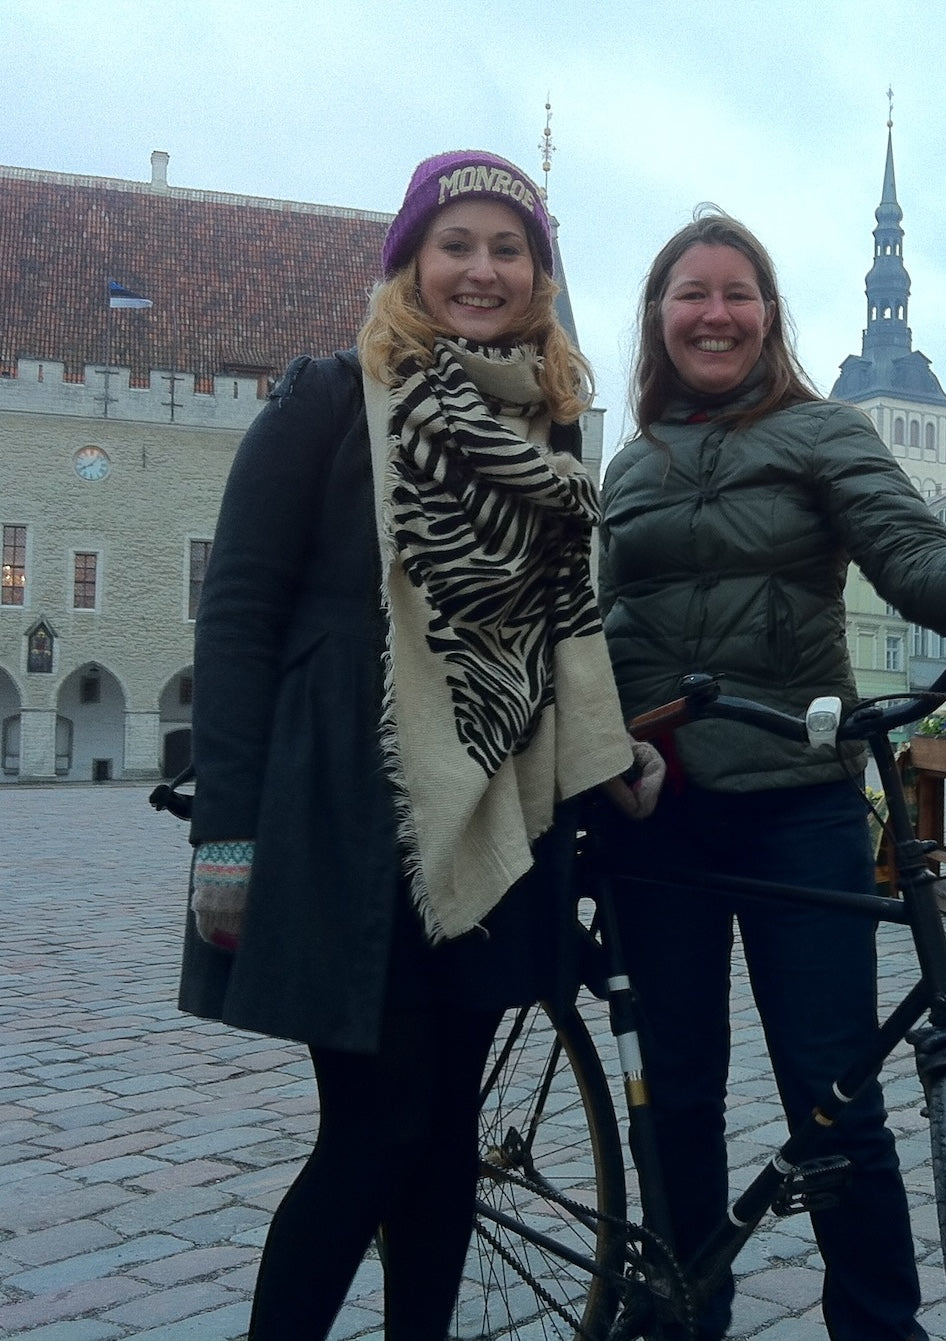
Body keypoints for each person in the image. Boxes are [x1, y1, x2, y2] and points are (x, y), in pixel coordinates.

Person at [598, 209, 946, 1341]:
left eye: (739, 292)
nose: (716, 312)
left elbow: (918, 560)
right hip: (655, 811)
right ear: (659, 317)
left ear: (770, 314)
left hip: (798, 800)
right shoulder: (628, 466)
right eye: (692, 292)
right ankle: (686, 1311)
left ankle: (879, 1324)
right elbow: (599, 628)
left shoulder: (824, 432)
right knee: (676, 1095)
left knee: (834, 1095)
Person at [177, 149, 658, 1341]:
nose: (480, 271)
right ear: (409, 263)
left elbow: (558, 637)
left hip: (498, 813)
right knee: (376, 1128)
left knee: (446, 1144)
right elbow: (236, 619)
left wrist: (613, 754)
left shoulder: (545, 435)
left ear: (539, 277)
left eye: (509, 250)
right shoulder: (328, 401)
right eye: (457, 246)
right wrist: (226, 832)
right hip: (352, 815)